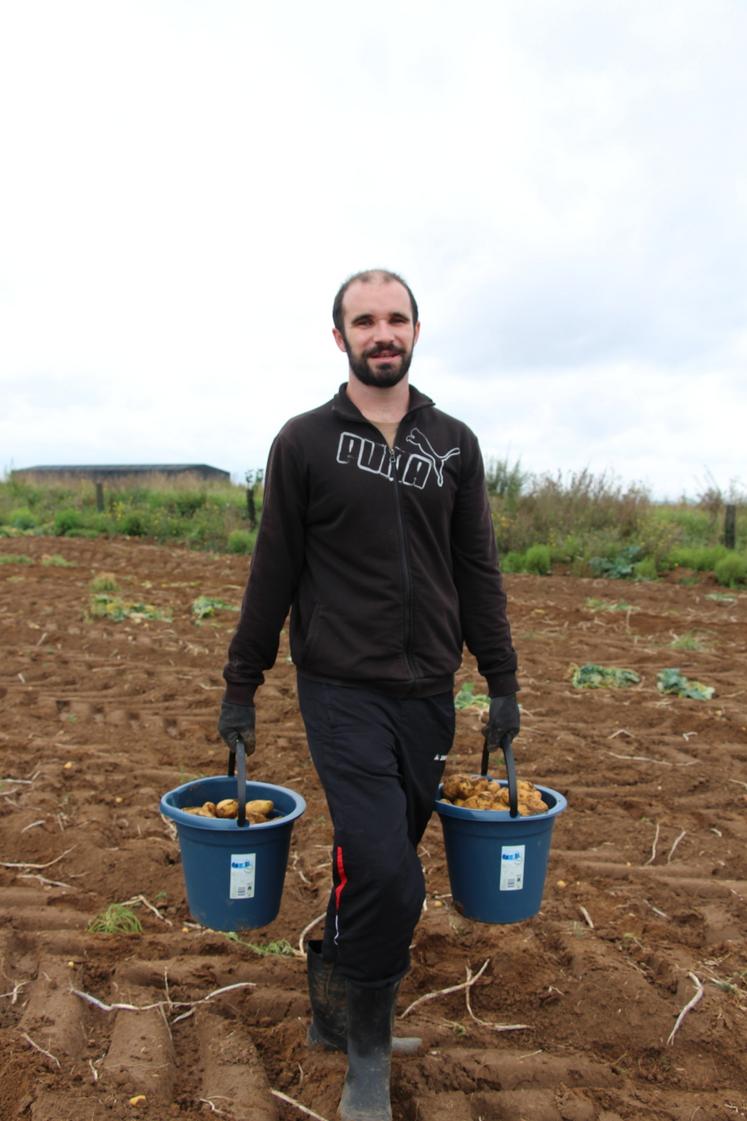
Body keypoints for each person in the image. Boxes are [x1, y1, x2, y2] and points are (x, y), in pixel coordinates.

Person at [218, 268, 519, 1121]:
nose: (380, 333)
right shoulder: (304, 441)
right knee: (389, 870)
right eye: (363, 321)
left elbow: (476, 569)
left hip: (430, 690)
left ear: (415, 331)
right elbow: (271, 570)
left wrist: (500, 679)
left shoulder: (453, 442)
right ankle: (368, 1055)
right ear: (339, 336)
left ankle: (334, 1007)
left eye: (395, 319)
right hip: (340, 688)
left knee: (376, 867)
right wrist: (242, 685)